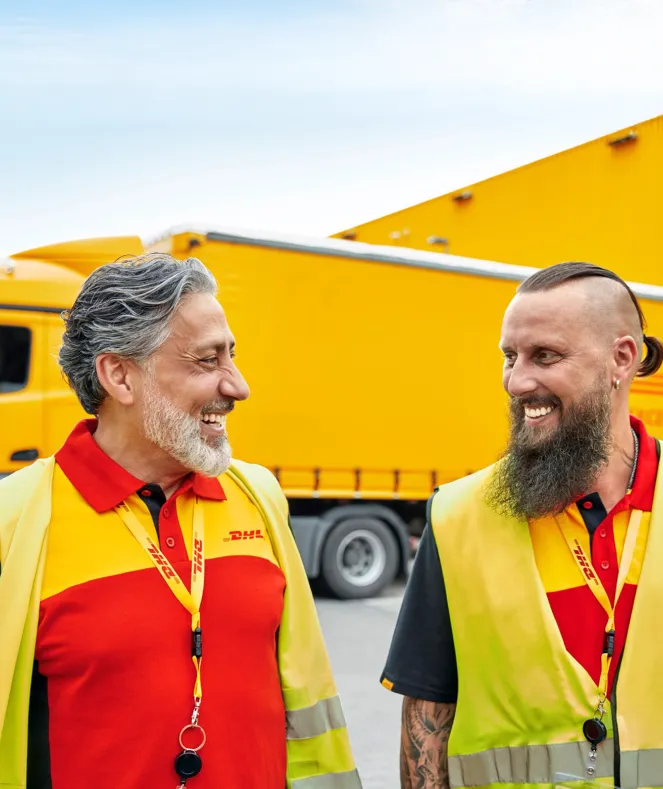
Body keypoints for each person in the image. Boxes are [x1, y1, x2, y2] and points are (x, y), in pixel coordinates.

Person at [0, 253, 361, 789]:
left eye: (232, 356)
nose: (238, 387)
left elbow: (306, 704)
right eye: (207, 361)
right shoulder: (16, 517)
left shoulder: (258, 495)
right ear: (119, 375)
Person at [381, 261, 663, 789]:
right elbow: (427, 718)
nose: (517, 381)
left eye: (545, 356)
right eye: (510, 357)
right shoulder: (459, 514)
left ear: (621, 359)